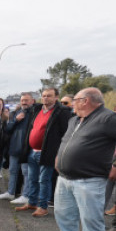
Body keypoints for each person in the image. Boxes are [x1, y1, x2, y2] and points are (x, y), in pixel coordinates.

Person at [50, 88, 116, 231]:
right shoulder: (74, 119)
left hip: (90, 180)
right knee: (64, 216)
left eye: (75, 100)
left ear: (85, 101)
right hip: (65, 178)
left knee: (92, 220)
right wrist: (59, 156)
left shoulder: (109, 118)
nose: (72, 103)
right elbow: (66, 140)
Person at [15, 88, 71, 218]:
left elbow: (65, 133)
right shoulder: (37, 109)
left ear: (56, 97)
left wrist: (59, 152)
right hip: (32, 151)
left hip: (47, 152)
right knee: (32, 179)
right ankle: (32, 203)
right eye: (44, 95)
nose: (45, 98)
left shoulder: (61, 112)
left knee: (44, 180)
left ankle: (43, 207)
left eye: (49, 96)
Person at [0, 92, 35, 203]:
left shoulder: (34, 113)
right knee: (12, 171)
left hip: (26, 149)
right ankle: (10, 192)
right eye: (22, 100)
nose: (24, 102)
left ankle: (25, 195)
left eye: (26, 100)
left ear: (32, 101)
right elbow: (8, 129)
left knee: (26, 173)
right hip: (14, 148)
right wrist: (16, 120)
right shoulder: (16, 113)